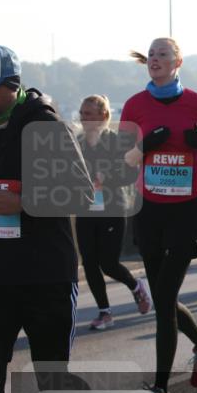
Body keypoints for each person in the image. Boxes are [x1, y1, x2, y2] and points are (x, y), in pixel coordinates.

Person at [0, 44, 94, 393]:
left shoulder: (44, 124)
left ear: (6, 88)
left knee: (51, 379)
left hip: (46, 275)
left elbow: (81, 190)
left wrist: (23, 201)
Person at [120, 37, 197, 393]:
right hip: (149, 209)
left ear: (177, 61)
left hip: (186, 210)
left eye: (162, 54)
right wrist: (144, 145)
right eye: (150, 55)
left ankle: (161, 389)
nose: (155, 59)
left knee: (164, 300)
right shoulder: (135, 105)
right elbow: (123, 161)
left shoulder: (195, 102)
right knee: (164, 299)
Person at [76, 94, 151, 330]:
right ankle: (104, 312)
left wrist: (106, 179)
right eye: (82, 113)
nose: (83, 117)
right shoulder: (77, 143)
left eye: (89, 113)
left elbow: (130, 174)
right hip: (85, 209)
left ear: (104, 116)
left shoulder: (117, 143)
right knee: (89, 263)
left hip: (112, 209)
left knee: (108, 263)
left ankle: (136, 286)